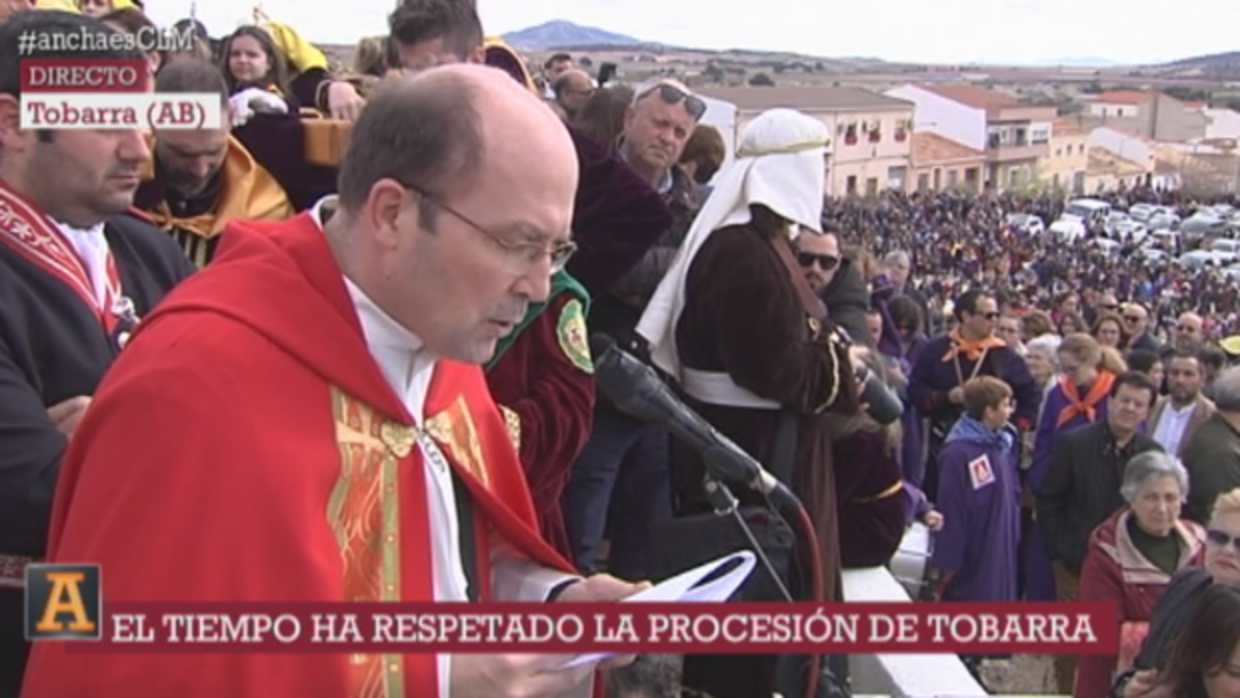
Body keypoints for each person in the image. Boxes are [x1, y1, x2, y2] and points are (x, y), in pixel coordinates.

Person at [20, 64, 643, 698]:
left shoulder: (442, 347)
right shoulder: (191, 384)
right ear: (393, 213)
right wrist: (423, 679)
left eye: (556, 252)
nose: (539, 286)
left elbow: (443, 556)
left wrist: (551, 597)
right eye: (517, 244)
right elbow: (99, 639)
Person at [0, 12, 196, 698]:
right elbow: (35, 494)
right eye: (109, 120)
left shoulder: (149, 250)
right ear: (14, 123)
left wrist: (111, 437)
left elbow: (263, 409)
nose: (140, 150)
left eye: (141, 120)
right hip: (27, 637)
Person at [636, 108, 861, 698]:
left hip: (760, 445)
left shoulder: (759, 243)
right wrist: (838, 358)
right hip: (759, 453)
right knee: (762, 609)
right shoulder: (742, 253)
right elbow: (779, 370)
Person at [1074, 452, 1204, 698]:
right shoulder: (1106, 554)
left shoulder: (1200, 544)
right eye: (1150, 497)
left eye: (1170, 497)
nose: (1162, 508)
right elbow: (1100, 629)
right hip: (1124, 681)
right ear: (1131, 498)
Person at [1111, 488, 1240, 698]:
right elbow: (1143, 662)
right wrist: (1126, 688)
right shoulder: (1186, 583)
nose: (1227, 550)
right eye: (1219, 537)